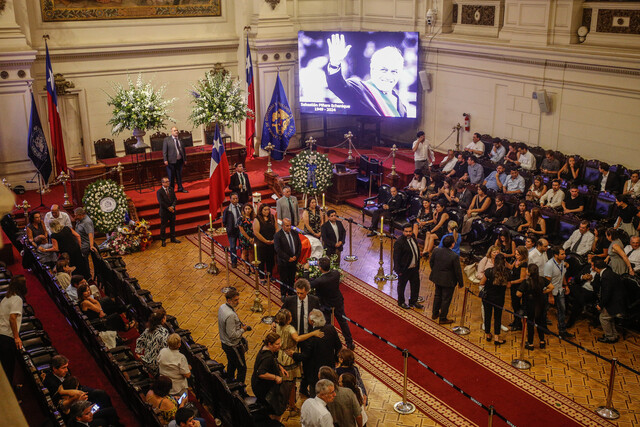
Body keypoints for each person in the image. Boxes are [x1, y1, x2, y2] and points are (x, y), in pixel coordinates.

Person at [326, 33, 407, 117]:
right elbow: (337, 86)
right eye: (383, 70)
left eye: (394, 71)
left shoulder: (402, 106)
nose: (388, 76)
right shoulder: (358, 88)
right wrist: (335, 63)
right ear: (372, 69)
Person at [274, 308, 324, 414]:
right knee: (291, 385)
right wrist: (312, 333)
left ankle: (287, 402)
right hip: (290, 357)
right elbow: (297, 339)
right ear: (287, 320)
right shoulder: (290, 328)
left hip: (281, 355)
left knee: (284, 382)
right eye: (291, 316)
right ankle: (292, 406)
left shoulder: (278, 325)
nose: (292, 317)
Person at [43, 355, 117, 422]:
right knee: (108, 410)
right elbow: (63, 401)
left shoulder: (65, 373)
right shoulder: (51, 383)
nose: (66, 370)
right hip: (72, 403)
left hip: (78, 390)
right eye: (63, 368)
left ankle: (106, 418)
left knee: (101, 393)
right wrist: (78, 397)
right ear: (54, 369)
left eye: (66, 367)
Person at [290, 309, 342, 397]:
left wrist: (293, 354)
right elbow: (338, 346)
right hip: (329, 366)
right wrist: (336, 359)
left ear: (312, 322)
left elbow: (305, 356)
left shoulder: (310, 338)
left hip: (314, 372)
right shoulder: (331, 329)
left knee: (316, 395)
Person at [310, 256, 354, 348]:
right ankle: (349, 343)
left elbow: (310, 284)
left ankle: (329, 343)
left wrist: (307, 270)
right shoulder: (336, 274)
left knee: (327, 325)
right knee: (343, 322)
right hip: (338, 302)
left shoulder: (319, 281)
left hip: (326, 305)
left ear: (320, 268)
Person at [251, 332, 289, 422]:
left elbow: (273, 360)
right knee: (274, 411)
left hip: (258, 385)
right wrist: (276, 377)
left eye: (280, 343)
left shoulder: (265, 349)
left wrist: (280, 367)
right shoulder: (267, 358)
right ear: (269, 344)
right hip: (263, 390)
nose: (279, 346)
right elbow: (261, 373)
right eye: (277, 344)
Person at [517, 264, 553, 350]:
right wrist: (544, 292)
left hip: (529, 305)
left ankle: (530, 343)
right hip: (540, 304)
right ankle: (542, 341)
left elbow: (518, 294)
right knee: (540, 323)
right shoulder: (542, 280)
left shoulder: (526, 282)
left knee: (530, 324)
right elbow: (551, 287)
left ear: (529, 273)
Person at [429, 235, 464, 324]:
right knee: (446, 299)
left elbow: (431, 262)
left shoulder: (436, 250)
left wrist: (435, 271)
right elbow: (458, 271)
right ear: (452, 244)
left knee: (437, 295)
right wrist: (461, 283)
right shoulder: (454, 256)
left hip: (437, 277)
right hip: (448, 281)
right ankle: (443, 318)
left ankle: (435, 313)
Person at [218, 289, 250, 384]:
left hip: (225, 343)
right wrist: (243, 330)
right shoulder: (230, 315)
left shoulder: (222, 307)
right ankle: (239, 391)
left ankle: (229, 382)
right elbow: (232, 335)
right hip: (232, 345)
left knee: (232, 363)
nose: (238, 302)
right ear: (229, 300)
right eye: (235, 300)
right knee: (242, 368)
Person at [0, 275, 27, 384]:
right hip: (7, 338)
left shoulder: (6, 298)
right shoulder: (17, 299)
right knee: (8, 368)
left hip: (1, 335)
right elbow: (12, 318)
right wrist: (16, 337)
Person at [593, 257, 626, 344]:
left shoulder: (606, 277)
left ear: (596, 267)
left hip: (614, 303)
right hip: (618, 301)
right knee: (609, 318)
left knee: (603, 318)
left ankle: (610, 337)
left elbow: (606, 294)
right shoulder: (609, 273)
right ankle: (614, 335)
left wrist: (600, 305)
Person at [544, 247, 574, 339]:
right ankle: (543, 328)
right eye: (562, 254)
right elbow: (547, 282)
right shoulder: (549, 265)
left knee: (562, 310)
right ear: (556, 255)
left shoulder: (562, 263)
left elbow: (563, 275)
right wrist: (550, 296)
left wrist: (566, 286)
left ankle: (562, 330)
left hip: (560, 289)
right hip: (551, 291)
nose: (564, 255)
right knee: (544, 310)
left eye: (564, 254)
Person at [480, 254, 509, 345]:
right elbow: (508, 285)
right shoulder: (507, 272)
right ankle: (497, 337)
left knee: (487, 316)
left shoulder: (489, 271)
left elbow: (481, 282)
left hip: (488, 297)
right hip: (499, 298)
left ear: (494, 261)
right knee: (498, 317)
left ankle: (488, 334)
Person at [393, 224, 423, 310]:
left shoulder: (413, 237)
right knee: (402, 286)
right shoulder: (399, 242)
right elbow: (396, 257)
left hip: (414, 268)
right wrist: (398, 270)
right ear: (403, 232)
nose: (408, 233)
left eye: (410, 231)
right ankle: (401, 302)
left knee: (415, 285)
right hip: (404, 269)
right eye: (406, 231)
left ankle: (413, 301)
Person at [274, 218, 302, 300]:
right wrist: (288, 258)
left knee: (291, 278)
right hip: (284, 262)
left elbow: (299, 245)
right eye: (287, 226)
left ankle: (291, 292)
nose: (289, 227)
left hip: (293, 260)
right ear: (282, 226)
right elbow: (278, 249)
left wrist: (296, 256)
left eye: (290, 225)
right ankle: (283, 294)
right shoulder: (277, 236)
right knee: (283, 278)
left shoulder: (294, 233)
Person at [135, 308, 169, 376]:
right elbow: (166, 351)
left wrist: (138, 354)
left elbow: (139, 341)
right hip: (157, 367)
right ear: (163, 320)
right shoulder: (164, 332)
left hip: (146, 362)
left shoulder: (148, 330)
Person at [507, 246, 528, 331]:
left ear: (523, 255)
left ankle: (518, 323)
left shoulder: (523, 264)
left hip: (518, 287)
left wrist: (511, 282)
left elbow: (522, 278)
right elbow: (511, 267)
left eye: (518, 255)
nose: (516, 256)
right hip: (513, 286)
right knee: (514, 304)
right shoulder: (516, 261)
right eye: (516, 254)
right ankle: (515, 321)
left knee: (517, 305)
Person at [253, 203, 277, 278]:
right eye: (265, 210)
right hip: (261, 244)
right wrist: (265, 241)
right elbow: (256, 232)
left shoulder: (272, 217)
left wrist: (274, 239)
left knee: (270, 260)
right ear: (261, 210)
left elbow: (277, 228)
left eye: (268, 210)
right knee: (261, 262)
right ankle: (262, 277)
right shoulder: (257, 219)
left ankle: (270, 276)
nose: (267, 211)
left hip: (271, 243)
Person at [157, 177, 181, 247]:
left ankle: (173, 238)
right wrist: (168, 208)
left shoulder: (171, 189)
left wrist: (172, 207)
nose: (168, 183)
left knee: (172, 225)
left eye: (168, 181)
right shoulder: (159, 191)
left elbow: (175, 199)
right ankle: (163, 240)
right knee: (163, 226)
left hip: (172, 211)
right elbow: (161, 202)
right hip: (164, 212)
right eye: (166, 182)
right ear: (162, 183)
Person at [163, 126, 188, 193]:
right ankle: (171, 190)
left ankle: (180, 188)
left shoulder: (180, 140)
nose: (176, 132)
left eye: (177, 130)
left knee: (179, 175)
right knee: (171, 177)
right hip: (171, 161)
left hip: (179, 161)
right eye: (174, 130)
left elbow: (183, 150)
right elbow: (164, 151)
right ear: (171, 132)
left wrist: (185, 159)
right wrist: (165, 159)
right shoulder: (167, 140)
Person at [223, 193, 243, 268]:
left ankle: (243, 260)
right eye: (233, 199)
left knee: (242, 245)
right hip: (232, 231)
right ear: (230, 199)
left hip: (241, 230)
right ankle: (234, 262)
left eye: (236, 198)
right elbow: (224, 221)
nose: (235, 200)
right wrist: (230, 227)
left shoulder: (241, 207)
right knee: (232, 247)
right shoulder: (227, 210)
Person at [237, 203, 255, 274]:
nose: (247, 210)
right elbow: (242, 230)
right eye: (246, 209)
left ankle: (251, 266)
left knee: (251, 252)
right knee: (244, 252)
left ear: (251, 210)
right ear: (243, 210)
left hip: (253, 237)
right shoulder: (241, 218)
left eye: (249, 209)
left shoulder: (254, 218)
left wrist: (253, 238)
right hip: (244, 238)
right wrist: (248, 238)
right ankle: (245, 268)